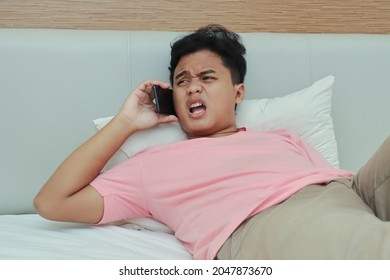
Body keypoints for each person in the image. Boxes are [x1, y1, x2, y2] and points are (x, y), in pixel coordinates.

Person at [34, 24, 390, 260]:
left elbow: (335, 187)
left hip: (347, 190)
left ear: (238, 93)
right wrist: (125, 122)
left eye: (207, 77)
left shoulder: (283, 137)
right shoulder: (151, 166)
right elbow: (52, 202)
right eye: (182, 81)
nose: (193, 87)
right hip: (264, 221)